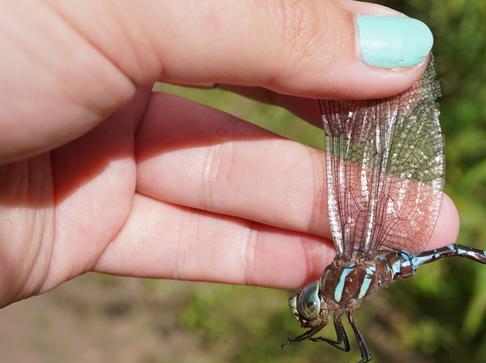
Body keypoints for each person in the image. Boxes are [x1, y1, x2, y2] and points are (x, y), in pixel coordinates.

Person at [0, 0, 460, 309]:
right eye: (311, 303)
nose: (309, 307)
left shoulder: (349, 264)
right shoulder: (347, 263)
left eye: (310, 305)